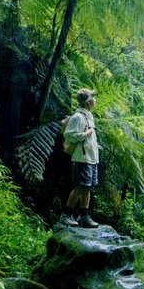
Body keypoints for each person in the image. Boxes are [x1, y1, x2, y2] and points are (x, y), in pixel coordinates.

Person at [59, 88, 100, 228]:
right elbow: (69, 135)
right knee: (79, 186)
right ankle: (66, 215)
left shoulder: (88, 115)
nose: (95, 100)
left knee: (86, 188)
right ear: (88, 101)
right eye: (93, 98)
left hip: (91, 158)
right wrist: (85, 135)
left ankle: (84, 216)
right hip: (82, 158)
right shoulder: (78, 117)